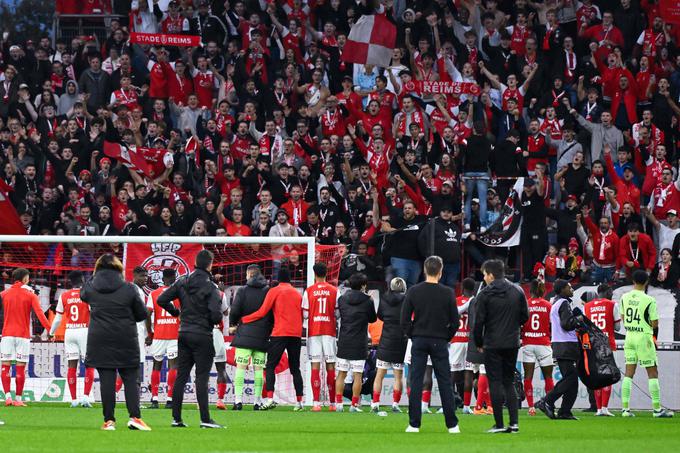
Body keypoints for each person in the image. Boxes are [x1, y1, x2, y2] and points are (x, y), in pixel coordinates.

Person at [80, 255, 150, 431]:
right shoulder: (130, 288)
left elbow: (83, 294)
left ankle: (109, 421)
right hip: (126, 338)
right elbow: (142, 314)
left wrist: (94, 276)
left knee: (106, 381)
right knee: (131, 379)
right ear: (119, 269)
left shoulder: (91, 287)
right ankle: (135, 417)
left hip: (100, 339)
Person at [157, 249, 225, 429]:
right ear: (210, 264)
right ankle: (205, 419)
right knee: (201, 378)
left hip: (184, 333)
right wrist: (208, 321)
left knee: (181, 376)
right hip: (202, 334)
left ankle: (176, 419)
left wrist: (176, 312)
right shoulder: (211, 287)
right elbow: (217, 316)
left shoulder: (182, 281)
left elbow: (162, 299)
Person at [400, 256, 460, 434]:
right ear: (441, 271)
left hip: (419, 339)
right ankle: (452, 425)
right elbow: (455, 322)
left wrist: (413, 334)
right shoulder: (448, 292)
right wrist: (445, 337)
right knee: (444, 382)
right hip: (439, 340)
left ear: (425, 270)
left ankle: (414, 424)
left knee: (416, 381)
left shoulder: (414, 291)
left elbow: (404, 320)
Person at [473, 259, 529, 433]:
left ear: (490, 274)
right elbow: (524, 317)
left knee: (495, 382)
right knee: (509, 382)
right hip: (512, 342)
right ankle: (514, 423)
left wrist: (479, 343)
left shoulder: (485, 294)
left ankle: (498, 424)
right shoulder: (518, 290)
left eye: (484, 275)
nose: (484, 278)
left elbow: (478, 323)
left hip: (492, 343)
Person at [241, 266, 304, 411]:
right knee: (295, 368)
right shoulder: (297, 293)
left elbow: (262, 312)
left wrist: (244, 319)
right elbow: (301, 315)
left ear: (277, 279)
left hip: (280, 333)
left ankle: (269, 399)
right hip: (295, 334)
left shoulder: (274, 291)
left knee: (270, 366)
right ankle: (299, 402)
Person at [620, 270, 674, 418]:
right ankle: (657, 410)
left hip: (629, 336)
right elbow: (655, 323)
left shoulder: (624, 297)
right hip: (643, 337)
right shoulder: (649, 300)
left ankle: (625, 409)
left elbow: (623, 318)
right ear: (646, 282)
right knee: (652, 372)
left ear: (633, 281)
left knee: (629, 373)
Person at [1, 268, 52, 407]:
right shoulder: (31, 295)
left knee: (5, 366)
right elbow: (40, 314)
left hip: (6, 334)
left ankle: (7, 398)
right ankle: (18, 399)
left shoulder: (4, 294)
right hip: (23, 335)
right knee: (20, 367)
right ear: (24, 279)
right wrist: (50, 331)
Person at [536, 279, 582, 421]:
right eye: (569, 287)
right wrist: (579, 319)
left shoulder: (555, 303)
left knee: (572, 380)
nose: (572, 289)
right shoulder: (564, 303)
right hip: (566, 344)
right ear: (562, 289)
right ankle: (547, 401)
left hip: (559, 343)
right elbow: (567, 324)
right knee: (571, 378)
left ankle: (565, 411)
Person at [49, 270, 95, 408]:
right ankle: (86, 397)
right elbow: (94, 314)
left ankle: (74, 399)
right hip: (84, 331)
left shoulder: (64, 295)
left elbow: (58, 318)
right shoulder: (87, 294)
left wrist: (51, 332)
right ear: (82, 280)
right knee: (89, 364)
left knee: (71, 365)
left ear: (70, 282)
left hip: (70, 332)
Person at [228, 264, 271, 411]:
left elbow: (235, 310)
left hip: (245, 333)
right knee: (259, 369)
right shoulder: (268, 291)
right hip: (262, 335)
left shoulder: (243, 290)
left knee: (241, 366)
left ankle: (238, 401)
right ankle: (257, 402)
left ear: (249, 274)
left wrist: (234, 323)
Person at [334, 272, 377, 412]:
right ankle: (354, 405)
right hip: (359, 342)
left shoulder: (342, 299)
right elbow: (372, 319)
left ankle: (339, 404)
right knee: (358, 375)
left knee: (341, 373)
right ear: (363, 285)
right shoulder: (368, 300)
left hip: (344, 340)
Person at [302, 263, 339, 412]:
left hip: (314, 332)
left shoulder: (308, 291)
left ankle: (316, 403)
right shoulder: (334, 291)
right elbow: (337, 313)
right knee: (331, 366)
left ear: (314, 273)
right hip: (329, 332)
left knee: (315, 366)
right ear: (327, 273)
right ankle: (332, 404)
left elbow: (305, 314)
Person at [582, 284, 620, 417]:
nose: (612, 293)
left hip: (593, 344)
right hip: (607, 343)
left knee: (597, 376)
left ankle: (598, 409)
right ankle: (604, 408)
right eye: (610, 291)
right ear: (605, 292)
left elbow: (585, 326)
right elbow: (618, 327)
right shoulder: (612, 304)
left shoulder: (587, 306)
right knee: (608, 376)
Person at [371, 277, 408, 414]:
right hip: (400, 341)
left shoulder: (384, 298)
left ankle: (375, 404)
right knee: (398, 377)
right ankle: (395, 404)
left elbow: (380, 316)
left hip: (385, 340)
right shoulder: (406, 299)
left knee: (379, 374)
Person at [146, 269, 180, 410]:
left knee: (156, 365)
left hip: (159, 334)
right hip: (174, 334)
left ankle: (154, 399)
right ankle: (170, 400)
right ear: (175, 278)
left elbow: (147, 313)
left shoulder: (153, 294)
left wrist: (150, 332)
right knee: (173, 366)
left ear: (162, 278)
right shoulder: (179, 293)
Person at [520, 280, 554, 417]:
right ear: (542, 291)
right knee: (548, 377)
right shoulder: (548, 305)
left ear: (530, 291)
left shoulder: (525, 305)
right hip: (543, 343)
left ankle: (530, 407)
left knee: (528, 377)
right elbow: (552, 324)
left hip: (528, 343)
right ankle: (549, 405)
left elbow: (520, 323)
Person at [449, 278, 476, 415]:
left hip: (457, 340)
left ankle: (448, 404)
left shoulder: (455, 300)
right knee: (468, 373)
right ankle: (466, 406)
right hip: (470, 340)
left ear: (462, 287)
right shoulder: (475, 302)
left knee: (453, 374)